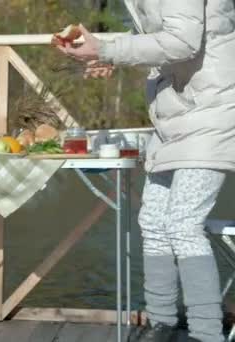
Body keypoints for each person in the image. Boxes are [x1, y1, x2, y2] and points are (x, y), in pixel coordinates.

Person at [56, 1, 235, 342]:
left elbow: (183, 41)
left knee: (182, 224)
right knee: (153, 221)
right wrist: (108, 55)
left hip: (214, 110)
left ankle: (206, 334)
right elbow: (160, 37)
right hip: (177, 112)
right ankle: (163, 326)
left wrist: (109, 48)